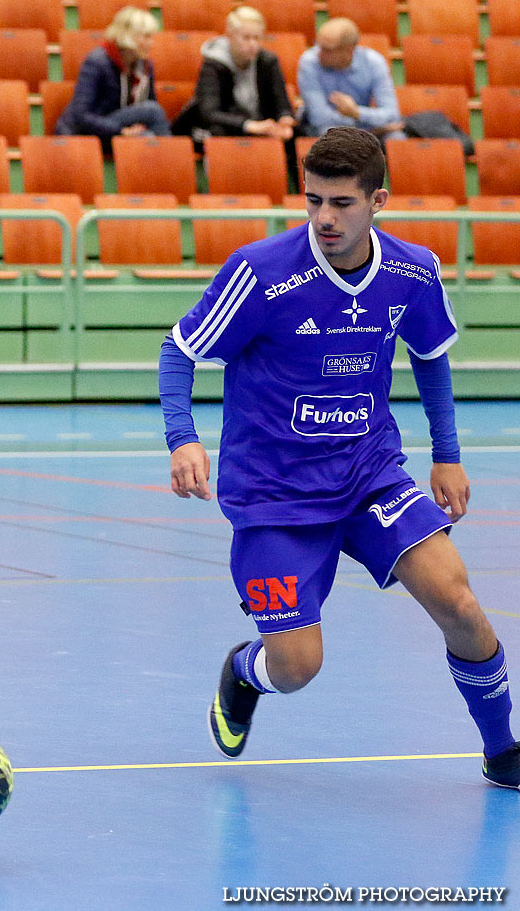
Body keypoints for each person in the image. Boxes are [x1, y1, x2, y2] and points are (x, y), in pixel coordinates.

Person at [160, 127, 518, 790]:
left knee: (461, 604)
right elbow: (179, 348)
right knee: (296, 667)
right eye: (313, 199)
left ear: (378, 200)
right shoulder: (260, 272)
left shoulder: (412, 271)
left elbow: (431, 356)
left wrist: (447, 455)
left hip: (369, 474)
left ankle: (503, 752)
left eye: (342, 203)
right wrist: (182, 437)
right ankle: (244, 672)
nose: (324, 217)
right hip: (274, 496)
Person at [174, 6, 296, 174]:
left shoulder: (268, 61)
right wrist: (249, 125)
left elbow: (281, 101)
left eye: (257, 38)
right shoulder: (213, 64)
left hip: (259, 123)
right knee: (221, 133)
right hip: (222, 125)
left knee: (299, 134)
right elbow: (209, 113)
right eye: (246, 38)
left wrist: (285, 119)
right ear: (230, 36)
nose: (253, 44)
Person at [56, 6, 171, 142]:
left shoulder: (145, 66)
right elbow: (81, 115)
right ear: (128, 36)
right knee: (152, 111)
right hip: (85, 131)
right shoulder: (97, 62)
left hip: (116, 126)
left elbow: (147, 103)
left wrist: (133, 129)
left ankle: (170, 154)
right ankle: (174, 156)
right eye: (146, 37)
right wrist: (121, 131)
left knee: (148, 136)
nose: (151, 43)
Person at [297, 18, 404, 140]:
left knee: (396, 138)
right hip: (328, 130)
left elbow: (392, 115)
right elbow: (319, 118)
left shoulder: (373, 62)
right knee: (330, 135)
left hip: (365, 129)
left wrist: (357, 112)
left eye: (327, 50)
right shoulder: (309, 62)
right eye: (318, 45)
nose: (319, 53)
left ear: (349, 50)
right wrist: (361, 122)